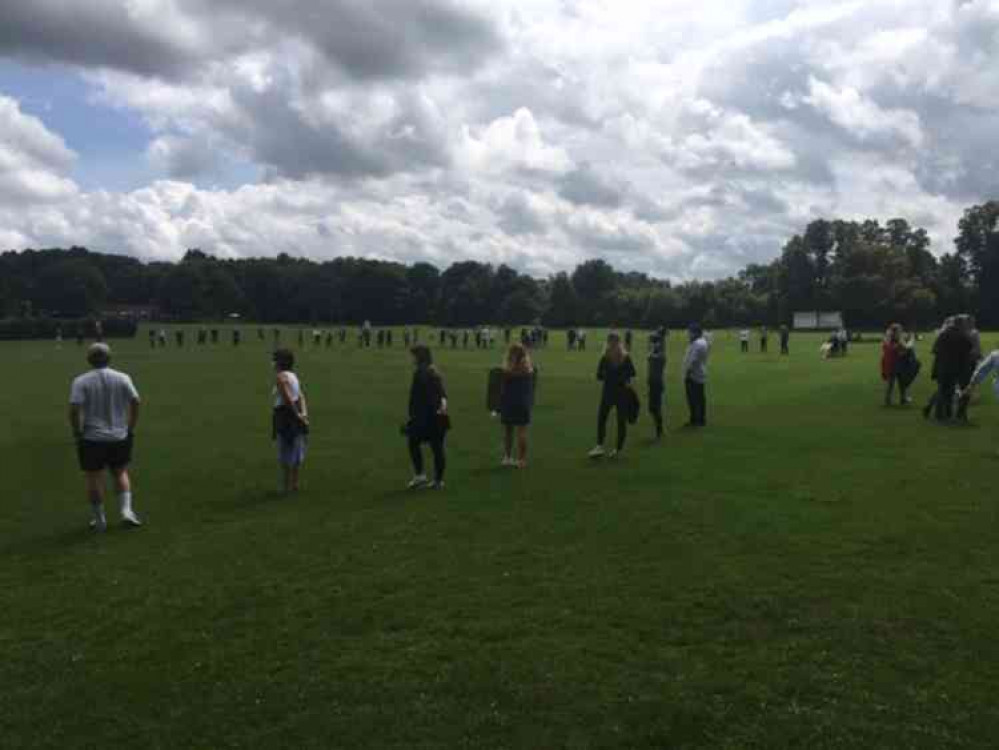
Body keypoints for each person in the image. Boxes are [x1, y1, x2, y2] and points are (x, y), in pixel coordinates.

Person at [68, 344, 142, 531]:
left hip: (92, 437)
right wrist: (130, 426)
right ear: (109, 358)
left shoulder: (81, 381)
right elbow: (135, 401)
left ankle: (100, 521)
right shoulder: (123, 377)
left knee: (94, 478)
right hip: (119, 435)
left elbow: (74, 409)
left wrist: (77, 431)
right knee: (120, 472)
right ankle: (126, 512)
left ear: (89, 359)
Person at [405, 345, 449, 490]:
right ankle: (438, 480)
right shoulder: (433, 371)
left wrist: (414, 416)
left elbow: (419, 398)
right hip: (437, 415)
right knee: (437, 448)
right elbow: (442, 394)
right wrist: (442, 409)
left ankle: (420, 476)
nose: (411, 358)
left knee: (413, 442)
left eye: (414, 355)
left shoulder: (421, 373)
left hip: (426, 417)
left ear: (419, 357)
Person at [588, 332, 636, 458]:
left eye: (613, 341)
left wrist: (612, 377)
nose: (612, 344)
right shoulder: (606, 357)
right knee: (602, 419)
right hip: (610, 393)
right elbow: (599, 375)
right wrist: (615, 377)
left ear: (617, 342)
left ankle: (617, 449)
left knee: (619, 421)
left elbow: (631, 374)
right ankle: (600, 446)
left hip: (618, 393)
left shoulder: (623, 357)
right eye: (611, 341)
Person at [272, 349, 309, 493]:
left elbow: (287, 398)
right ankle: (294, 484)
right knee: (296, 452)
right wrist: (303, 414)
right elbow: (300, 396)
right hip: (295, 414)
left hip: (285, 416)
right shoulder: (293, 376)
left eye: (275, 359)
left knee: (285, 452)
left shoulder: (280, 377)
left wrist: (296, 414)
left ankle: (285, 486)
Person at [925, 316, 974, 422]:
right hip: (958, 368)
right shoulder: (963, 335)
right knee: (962, 391)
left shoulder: (943, 334)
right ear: (961, 324)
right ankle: (958, 415)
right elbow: (969, 349)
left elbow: (934, 350)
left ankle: (941, 414)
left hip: (943, 367)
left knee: (944, 391)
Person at [499, 343, 534, 468]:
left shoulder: (506, 371)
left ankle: (507, 457)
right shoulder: (529, 370)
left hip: (508, 402)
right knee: (522, 432)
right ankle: (522, 460)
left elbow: (500, 388)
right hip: (523, 402)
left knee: (508, 432)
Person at [682, 323, 710, 427]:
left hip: (693, 375)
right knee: (699, 398)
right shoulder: (701, 342)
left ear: (696, 332)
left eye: (690, 332)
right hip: (699, 373)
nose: (688, 334)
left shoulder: (697, 344)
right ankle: (700, 419)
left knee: (693, 399)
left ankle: (696, 419)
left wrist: (687, 373)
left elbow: (692, 361)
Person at [881, 324, 909, 406]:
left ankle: (902, 399)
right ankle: (888, 400)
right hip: (893, 364)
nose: (900, 332)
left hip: (898, 364)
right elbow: (890, 349)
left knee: (901, 383)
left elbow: (903, 351)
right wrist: (901, 347)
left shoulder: (897, 339)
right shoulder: (889, 339)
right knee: (891, 384)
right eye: (899, 330)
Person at [648, 333, 667, 439]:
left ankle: (659, 430)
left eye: (655, 343)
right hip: (652, 383)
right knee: (652, 408)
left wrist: (659, 343)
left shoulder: (659, 356)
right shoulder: (655, 354)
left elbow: (652, 356)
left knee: (655, 407)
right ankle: (660, 429)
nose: (653, 344)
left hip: (657, 384)